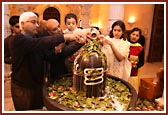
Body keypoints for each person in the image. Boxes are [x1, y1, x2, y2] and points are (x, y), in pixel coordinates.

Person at [9, 11, 85, 111]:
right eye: (33, 22)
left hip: (37, 85)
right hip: (23, 88)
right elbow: (39, 43)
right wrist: (66, 37)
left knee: (38, 109)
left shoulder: (36, 39)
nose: (36, 25)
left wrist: (80, 43)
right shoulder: (18, 39)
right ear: (22, 24)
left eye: (37, 22)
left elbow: (51, 56)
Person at [45, 18, 86, 83]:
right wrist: (80, 43)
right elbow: (65, 52)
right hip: (55, 76)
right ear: (49, 32)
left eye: (58, 26)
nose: (59, 30)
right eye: (54, 29)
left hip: (66, 72)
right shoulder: (47, 42)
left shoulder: (63, 35)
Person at [127, 27, 145, 92]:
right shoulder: (125, 44)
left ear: (139, 37)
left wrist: (136, 66)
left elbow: (142, 62)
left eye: (137, 35)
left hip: (133, 73)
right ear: (130, 34)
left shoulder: (140, 48)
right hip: (123, 71)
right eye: (133, 34)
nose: (134, 37)